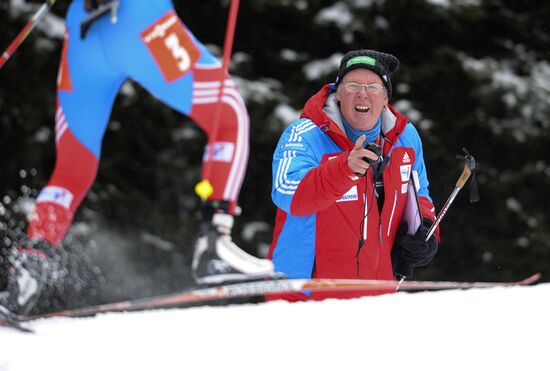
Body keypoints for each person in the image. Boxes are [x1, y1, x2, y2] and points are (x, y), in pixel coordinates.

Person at [0, 0, 273, 315]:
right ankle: (215, 244)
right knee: (228, 115)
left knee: (72, 170)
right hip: (138, 19)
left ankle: (31, 266)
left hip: (83, 30)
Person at [268, 49, 440, 300]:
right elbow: (288, 193)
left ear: (385, 98)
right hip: (304, 301)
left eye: (372, 86)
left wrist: (426, 232)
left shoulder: (405, 137)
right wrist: (344, 169)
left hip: (377, 297)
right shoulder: (305, 134)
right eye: (352, 85)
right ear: (338, 94)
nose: (362, 93)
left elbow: (419, 192)